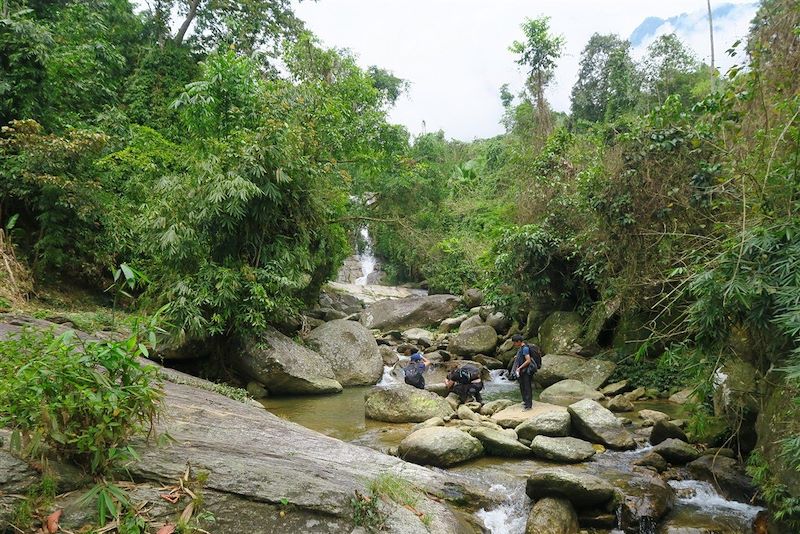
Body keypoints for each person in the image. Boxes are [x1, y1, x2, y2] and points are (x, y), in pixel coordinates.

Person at [512, 334, 541, 410]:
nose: (514, 344)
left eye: (514, 342)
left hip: (526, 371)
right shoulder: (521, 348)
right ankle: (525, 401)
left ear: (518, 341)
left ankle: (528, 405)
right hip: (523, 371)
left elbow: (528, 360)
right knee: (522, 386)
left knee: (527, 387)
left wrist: (519, 368)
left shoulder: (525, 348)